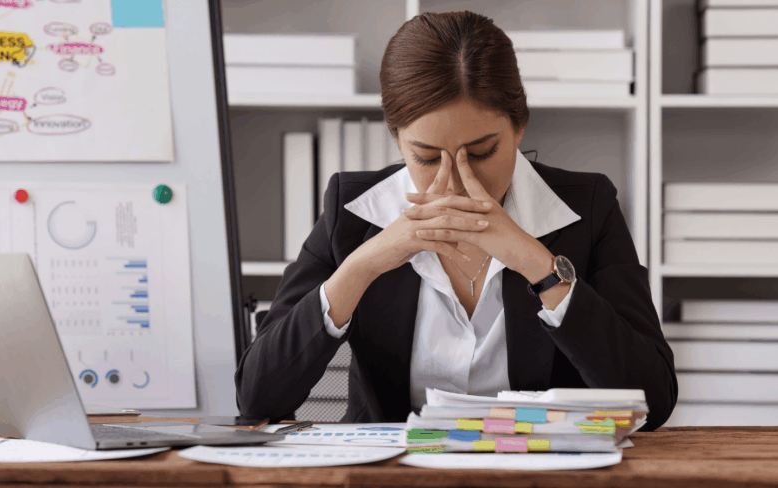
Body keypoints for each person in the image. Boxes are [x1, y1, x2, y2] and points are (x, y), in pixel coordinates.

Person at [235, 11, 677, 430]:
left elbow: (653, 401)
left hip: (539, 469)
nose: (456, 181)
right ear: (397, 138)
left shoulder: (589, 207)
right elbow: (258, 399)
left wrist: (539, 266)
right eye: (426, 157)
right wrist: (362, 266)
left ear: (520, 126)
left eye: (482, 152)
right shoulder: (351, 211)